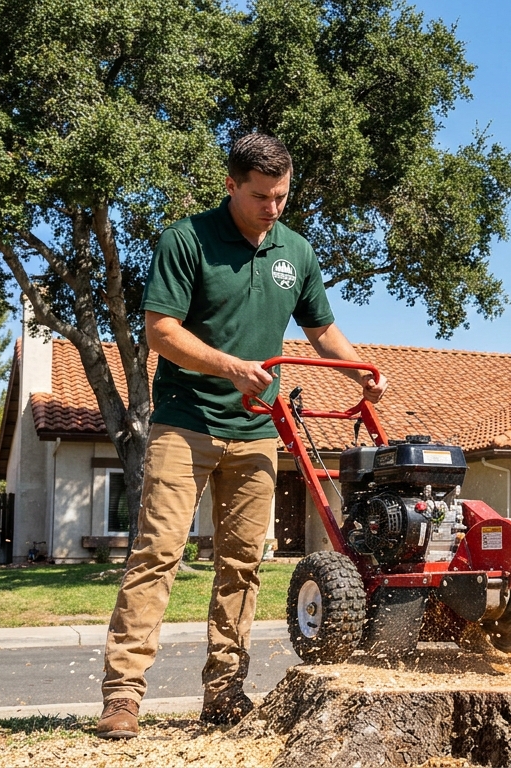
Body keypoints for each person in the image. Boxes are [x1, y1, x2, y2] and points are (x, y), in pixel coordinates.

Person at [96, 133, 385, 739]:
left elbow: (322, 330)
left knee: (244, 564)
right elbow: (160, 331)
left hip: (257, 430)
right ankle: (123, 696)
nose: (272, 207)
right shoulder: (186, 240)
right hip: (185, 422)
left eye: (281, 196)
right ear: (231, 185)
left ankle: (224, 690)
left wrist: (362, 374)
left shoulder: (296, 251)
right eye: (260, 196)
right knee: (158, 555)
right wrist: (230, 365)